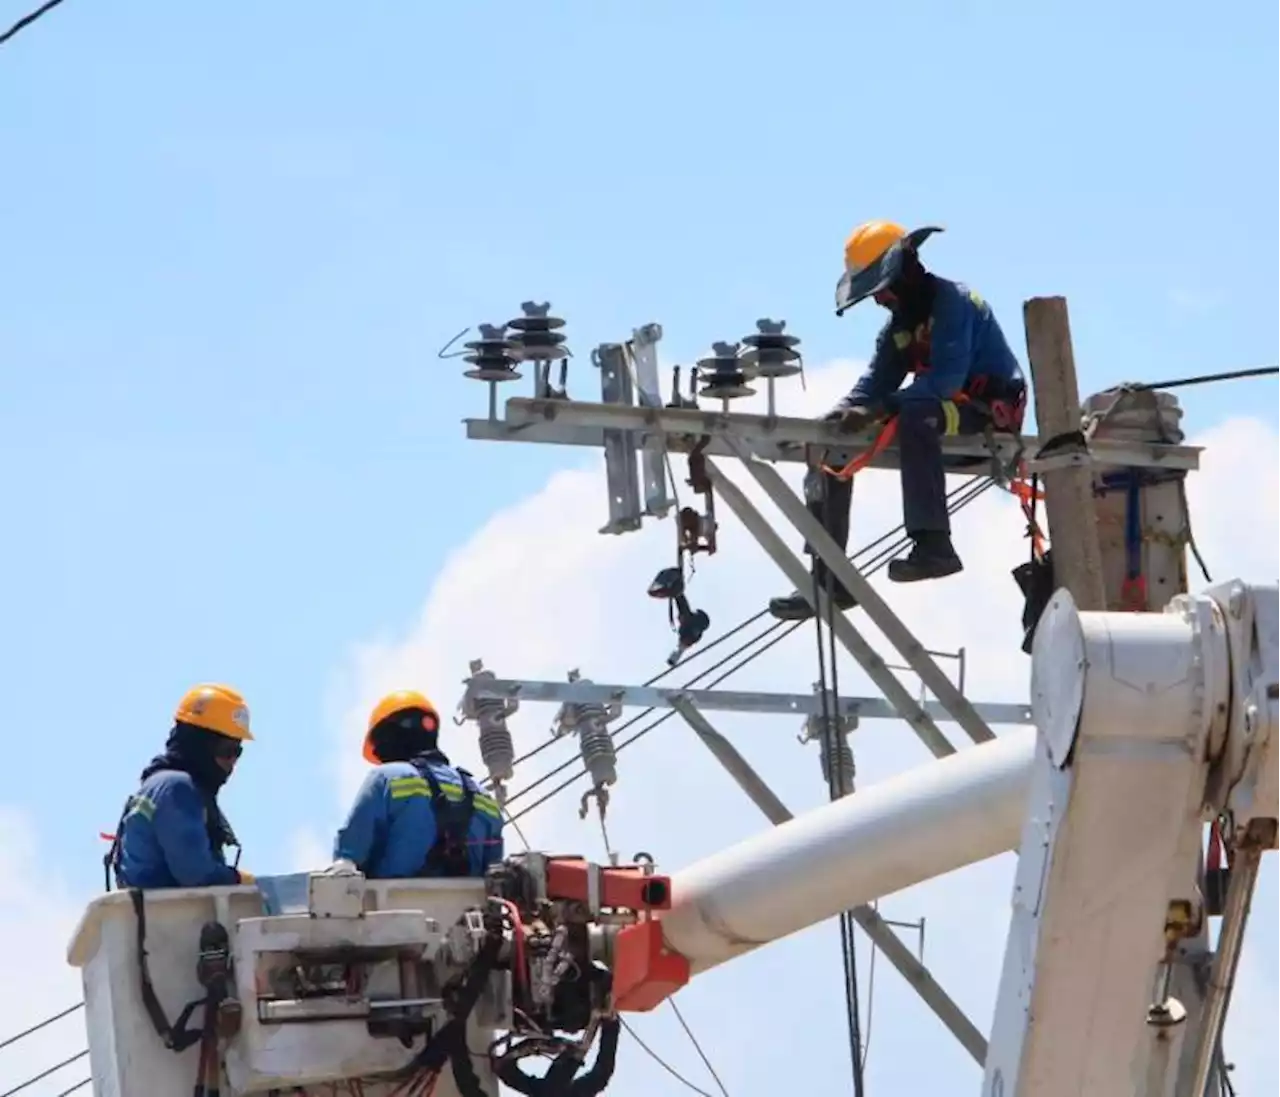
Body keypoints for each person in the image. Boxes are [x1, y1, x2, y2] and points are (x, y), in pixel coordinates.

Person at [768, 221, 1028, 622]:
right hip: (935, 417)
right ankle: (828, 578)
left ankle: (934, 546)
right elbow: (874, 384)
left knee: (917, 414)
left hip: (984, 416)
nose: (880, 299)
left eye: (883, 287)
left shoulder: (954, 303)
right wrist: (840, 416)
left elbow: (944, 383)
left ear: (907, 271)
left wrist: (876, 409)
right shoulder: (899, 328)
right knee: (837, 446)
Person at [329, 689, 505, 879]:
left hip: (393, 906)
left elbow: (348, 859)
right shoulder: (485, 799)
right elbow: (495, 875)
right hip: (470, 908)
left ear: (389, 738)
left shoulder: (385, 779)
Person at [110, 684, 255, 889]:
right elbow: (195, 873)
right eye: (226, 750)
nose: (232, 762)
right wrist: (239, 879)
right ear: (199, 744)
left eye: (237, 752)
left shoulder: (162, 786)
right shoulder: (176, 789)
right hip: (171, 918)